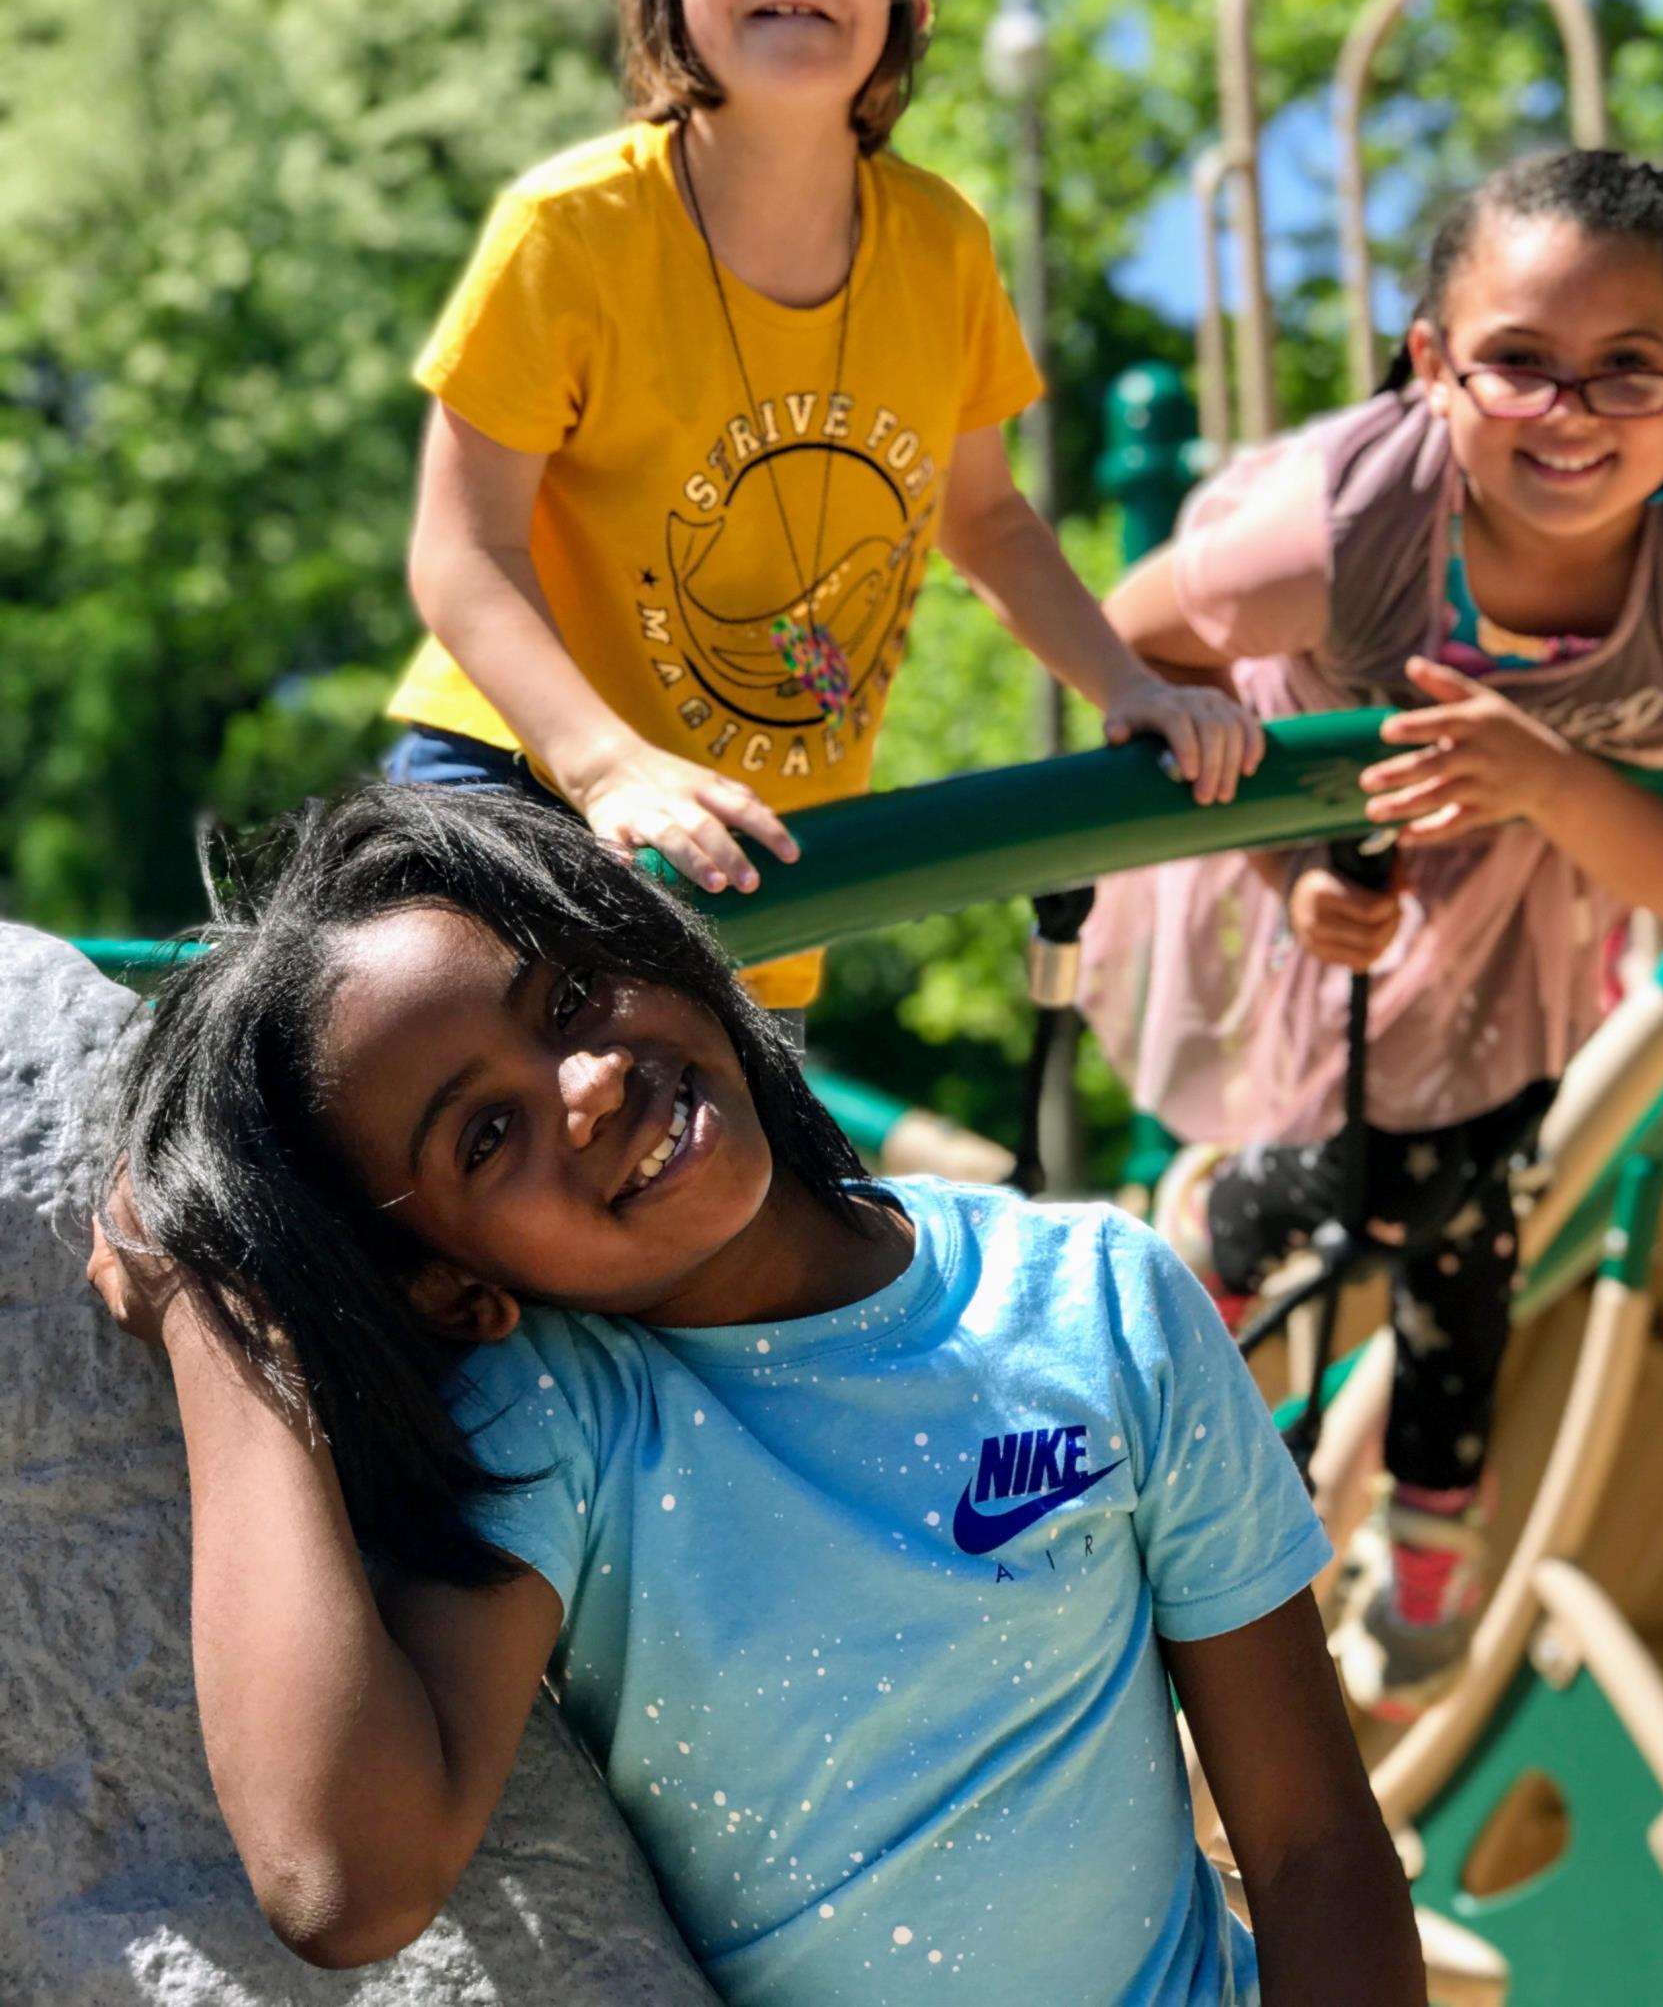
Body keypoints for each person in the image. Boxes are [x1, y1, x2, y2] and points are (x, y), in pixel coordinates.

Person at [85, 785, 1424, 2007]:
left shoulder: (1095, 1297)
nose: (591, 1082)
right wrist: (219, 1320)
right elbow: (344, 1879)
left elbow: (1311, 1843)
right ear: (453, 1285)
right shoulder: (563, 1419)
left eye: (568, 996)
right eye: (486, 1135)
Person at [1080, 149, 1663, 1715]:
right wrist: (1291, 860)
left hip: (1544, 868)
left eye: (1627, 370)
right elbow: (1129, 642)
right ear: (1434, 365)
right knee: (1363, 1176)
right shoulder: (1336, 521)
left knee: (1474, 1194)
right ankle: (1184, 1317)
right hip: (1325, 860)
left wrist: (1542, 773)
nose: (1569, 410)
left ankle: (1425, 1527)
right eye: (1516, 361)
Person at [383, 0, 1256, 1018]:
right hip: (521, 782)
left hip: (766, 842)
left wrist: (1126, 683)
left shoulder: (941, 243)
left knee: (719, 1191)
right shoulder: (568, 230)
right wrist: (611, 766)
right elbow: (461, 550)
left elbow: (991, 518)